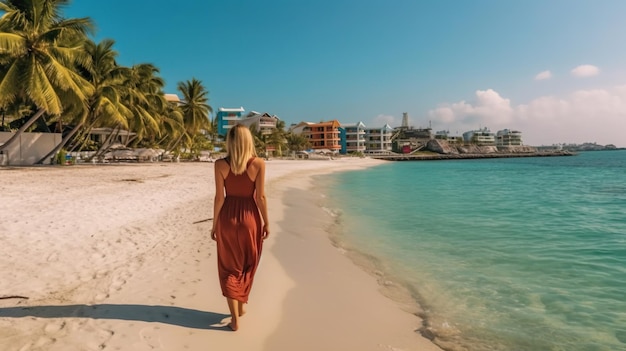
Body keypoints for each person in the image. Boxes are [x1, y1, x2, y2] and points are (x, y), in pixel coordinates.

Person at [211, 124, 269, 331]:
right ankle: (240, 306)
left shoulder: (219, 165)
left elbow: (219, 198)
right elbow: (260, 196)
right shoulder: (258, 164)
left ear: (230, 142)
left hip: (227, 217)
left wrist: (214, 224)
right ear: (248, 141)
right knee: (247, 264)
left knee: (229, 267)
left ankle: (236, 315)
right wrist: (266, 222)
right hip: (249, 218)